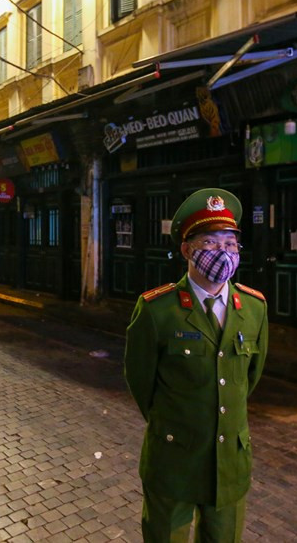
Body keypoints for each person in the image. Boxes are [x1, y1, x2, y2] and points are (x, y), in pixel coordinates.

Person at [124, 188, 268, 542]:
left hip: (230, 459)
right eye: (211, 243)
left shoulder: (253, 308)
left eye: (230, 244)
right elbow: (141, 382)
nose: (224, 253)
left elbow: (249, 378)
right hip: (174, 456)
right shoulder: (157, 310)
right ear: (187, 250)